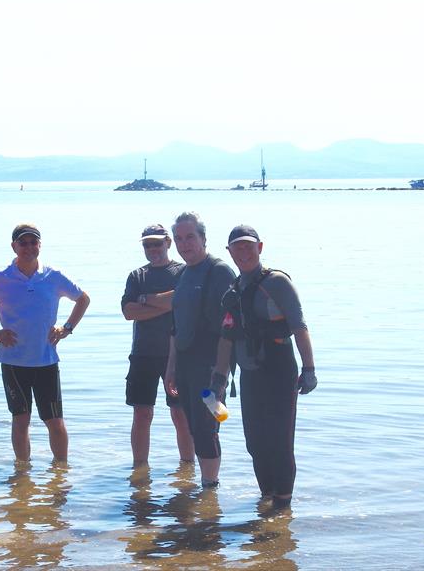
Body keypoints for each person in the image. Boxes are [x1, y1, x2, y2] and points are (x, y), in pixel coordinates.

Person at [211, 224, 317, 509]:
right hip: (250, 374)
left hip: (280, 370)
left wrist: (309, 369)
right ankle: (267, 498)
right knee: (255, 442)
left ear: (260, 248)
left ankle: (282, 507)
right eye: (237, 247)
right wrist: (218, 382)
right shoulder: (233, 291)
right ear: (229, 252)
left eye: (249, 246)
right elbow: (226, 339)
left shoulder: (278, 282)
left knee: (280, 441)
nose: (243, 252)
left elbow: (299, 325)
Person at [0, 224, 90, 462]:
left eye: (32, 242)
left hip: (45, 358)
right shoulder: (0, 279)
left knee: (55, 421)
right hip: (13, 360)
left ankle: (60, 473)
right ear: (14, 246)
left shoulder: (53, 276)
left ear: (39, 245)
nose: (28, 247)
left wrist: (66, 328)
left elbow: (83, 299)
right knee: (21, 419)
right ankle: (22, 474)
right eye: (22, 243)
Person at [166, 212, 235, 488]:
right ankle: (206, 489)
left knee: (208, 428)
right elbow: (175, 325)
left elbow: (230, 326)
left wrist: (220, 374)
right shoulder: (183, 274)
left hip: (210, 366)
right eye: (179, 239)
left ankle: (210, 492)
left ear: (203, 238)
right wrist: (170, 367)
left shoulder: (219, 271)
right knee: (194, 425)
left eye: (190, 237)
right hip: (185, 365)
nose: (185, 244)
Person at [122, 224, 194, 468]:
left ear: (168, 243)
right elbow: (129, 312)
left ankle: (187, 469)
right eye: (147, 245)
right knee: (142, 414)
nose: (153, 249)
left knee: (180, 415)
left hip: (178, 355)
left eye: (157, 243)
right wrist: (166, 302)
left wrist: (146, 300)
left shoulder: (183, 272)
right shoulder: (137, 276)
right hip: (143, 354)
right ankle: (139, 471)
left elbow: (180, 300)